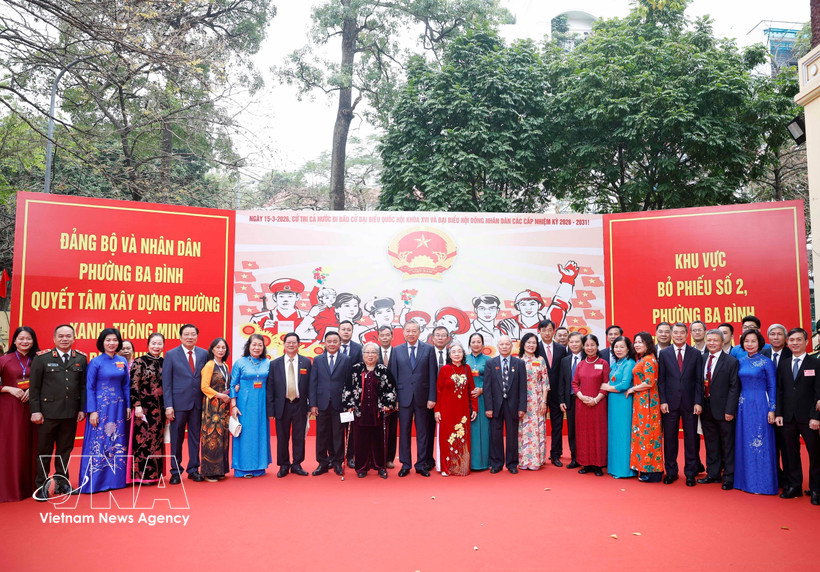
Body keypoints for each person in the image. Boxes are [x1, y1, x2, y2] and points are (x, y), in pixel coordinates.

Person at [29, 324, 87, 501]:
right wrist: (35, 411)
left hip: (70, 414)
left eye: (68, 336)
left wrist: (82, 409)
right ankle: (42, 486)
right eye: (61, 336)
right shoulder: (42, 358)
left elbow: (83, 387)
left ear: (74, 338)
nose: (64, 339)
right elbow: (34, 388)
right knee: (44, 451)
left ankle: (62, 484)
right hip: (47, 414)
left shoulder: (81, 358)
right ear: (54, 338)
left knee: (65, 451)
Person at [78, 328, 131, 494]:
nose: (111, 343)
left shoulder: (122, 360)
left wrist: (128, 405)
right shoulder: (96, 362)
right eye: (108, 340)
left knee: (117, 441)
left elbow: (126, 385)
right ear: (102, 342)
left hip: (119, 407)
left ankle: (116, 480)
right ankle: (94, 482)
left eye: (115, 340)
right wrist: (92, 410)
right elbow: (90, 387)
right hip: (101, 407)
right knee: (99, 441)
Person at [775, 328, 820, 504]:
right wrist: (779, 413)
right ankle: (794, 486)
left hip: (809, 418)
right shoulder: (784, 364)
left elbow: (818, 392)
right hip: (787, 417)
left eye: (798, 340)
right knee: (790, 453)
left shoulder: (815, 363)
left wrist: (816, 416)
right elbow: (780, 391)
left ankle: (816, 489)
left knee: (815, 454)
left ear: (806, 341)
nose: (795, 343)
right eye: (791, 340)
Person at [732, 328, 778, 494]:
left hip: (761, 405)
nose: (749, 344)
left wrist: (772, 409)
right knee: (744, 441)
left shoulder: (766, 362)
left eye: (753, 341)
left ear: (760, 343)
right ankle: (745, 482)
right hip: (743, 405)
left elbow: (772, 387)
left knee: (761, 442)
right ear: (742, 343)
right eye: (746, 341)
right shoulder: (740, 360)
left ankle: (762, 483)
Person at [389, 321, 437, 477]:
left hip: (423, 398)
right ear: (403, 332)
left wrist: (432, 397)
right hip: (403, 398)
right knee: (404, 432)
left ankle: (421, 464)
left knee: (423, 432)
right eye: (408, 331)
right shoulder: (396, 351)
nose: (411, 333)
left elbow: (432, 376)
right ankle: (405, 464)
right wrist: (394, 399)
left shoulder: (429, 349)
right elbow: (393, 377)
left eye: (414, 331)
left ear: (419, 332)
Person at [658, 322, 704, 486]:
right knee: (670, 439)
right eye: (675, 333)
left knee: (691, 439)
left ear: (687, 334)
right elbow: (661, 381)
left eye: (682, 333)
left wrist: (699, 401)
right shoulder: (664, 353)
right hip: (669, 404)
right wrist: (663, 400)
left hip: (691, 403)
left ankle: (690, 473)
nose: (678, 335)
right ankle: (671, 472)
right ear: (671, 334)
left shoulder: (695, 353)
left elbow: (699, 381)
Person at [343, 342, 397, 478]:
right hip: (359, 411)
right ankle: (361, 467)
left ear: (378, 355)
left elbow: (390, 389)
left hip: (378, 411)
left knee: (380, 440)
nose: (370, 355)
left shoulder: (383, 370)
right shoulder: (355, 369)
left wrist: (387, 404)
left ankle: (380, 466)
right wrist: (349, 404)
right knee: (360, 440)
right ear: (363, 354)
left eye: (373, 352)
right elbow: (348, 388)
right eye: (367, 352)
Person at [163, 324, 208, 484]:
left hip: (198, 403)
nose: (190, 337)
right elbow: (166, 383)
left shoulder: (204, 354)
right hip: (178, 404)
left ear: (197, 336)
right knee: (176, 439)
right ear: (180, 336)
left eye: (193, 334)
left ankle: (193, 469)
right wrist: (168, 405)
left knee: (196, 438)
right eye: (186, 334)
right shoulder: (171, 354)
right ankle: (175, 471)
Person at [0, 326, 39, 502]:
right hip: (9, 408)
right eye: (21, 338)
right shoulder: (4, 360)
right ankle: (8, 488)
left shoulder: (38, 360)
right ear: (14, 340)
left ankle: (28, 486)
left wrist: (33, 389)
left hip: (31, 408)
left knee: (29, 445)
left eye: (28, 338)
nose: (25, 342)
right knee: (10, 445)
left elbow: (48, 382)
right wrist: (7, 388)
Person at [698, 329, 740, 491]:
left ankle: (729, 477)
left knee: (728, 444)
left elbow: (733, 388)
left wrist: (730, 410)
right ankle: (713, 473)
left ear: (722, 342)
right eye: (709, 340)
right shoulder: (701, 359)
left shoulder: (731, 361)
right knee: (711, 443)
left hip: (724, 411)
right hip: (706, 408)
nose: (712, 343)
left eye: (715, 340)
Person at [268, 332, 312, 477]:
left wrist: (311, 405)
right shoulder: (275, 364)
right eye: (288, 342)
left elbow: (311, 385)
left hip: (300, 404)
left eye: (294, 342)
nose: (291, 345)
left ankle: (297, 464)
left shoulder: (306, 362)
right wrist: (271, 410)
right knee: (282, 437)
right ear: (284, 345)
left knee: (299, 437)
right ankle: (283, 465)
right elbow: (270, 387)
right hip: (282, 405)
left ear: (299, 345)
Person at [309, 331, 352, 476]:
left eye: (335, 341)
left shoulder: (346, 360)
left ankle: (337, 462)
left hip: (340, 404)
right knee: (322, 434)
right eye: (329, 341)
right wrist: (313, 404)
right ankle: (322, 462)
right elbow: (313, 383)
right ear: (324, 343)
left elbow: (349, 383)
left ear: (340, 343)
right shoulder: (318, 360)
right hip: (321, 403)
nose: (332, 344)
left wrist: (348, 404)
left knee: (339, 434)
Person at [483, 335, 527, 474]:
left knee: (512, 435)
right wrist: (488, 407)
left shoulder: (519, 363)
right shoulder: (491, 363)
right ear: (497, 346)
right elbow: (487, 387)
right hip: (496, 405)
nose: (504, 346)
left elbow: (523, 387)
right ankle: (497, 463)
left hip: (513, 405)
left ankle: (512, 463)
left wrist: (522, 407)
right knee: (495, 435)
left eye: (507, 344)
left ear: (511, 346)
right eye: (501, 344)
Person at [230, 334, 272, 477]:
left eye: (260, 345)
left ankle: (259, 467)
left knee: (260, 433)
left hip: (261, 404)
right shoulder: (240, 362)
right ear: (248, 346)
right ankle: (242, 468)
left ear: (263, 347)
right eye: (254, 344)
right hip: (244, 404)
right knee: (245, 434)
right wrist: (234, 405)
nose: (256, 347)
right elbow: (232, 384)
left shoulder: (267, 362)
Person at [434, 342, 477, 476]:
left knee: (462, 438)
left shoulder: (467, 369)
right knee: (447, 438)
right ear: (450, 355)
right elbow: (439, 391)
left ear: (463, 354)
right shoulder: (444, 369)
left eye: (459, 351)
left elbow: (472, 390)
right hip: (447, 410)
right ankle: (447, 467)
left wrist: (474, 408)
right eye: (454, 352)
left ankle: (461, 466)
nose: (457, 354)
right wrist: (437, 410)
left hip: (462, 411)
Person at [129, 333, 165, 486]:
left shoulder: (165, 362)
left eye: (159, 344)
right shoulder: (139, 362)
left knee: (157, 441)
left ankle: (156, 475)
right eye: (153, 343)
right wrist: (136, 405)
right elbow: (133, 385)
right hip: (143, 409)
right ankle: (141, 475)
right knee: (143, 440)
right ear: (148, 344)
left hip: (160, 409)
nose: (156, 347)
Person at [626, 332, 663, 482]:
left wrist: (633, 389)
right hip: (641, 401)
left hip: (647, 401)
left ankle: (652, 470)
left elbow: (649, 382)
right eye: (635, 342)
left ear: (648, 344)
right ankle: (644, 468)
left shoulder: (648, 360)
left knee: (649, 435)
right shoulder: (644, 359)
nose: (636, 345)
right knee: (643, 434)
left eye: (640, 342)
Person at [572, 334, 609, 476]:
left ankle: (598, 464)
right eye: (587, 345)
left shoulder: (603, 363)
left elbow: (606, 384)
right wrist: (581, 396)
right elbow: (575, 383)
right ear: (583, 347)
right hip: (582, 405)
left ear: (597, 346)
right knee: (583, 434)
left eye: (592, 345)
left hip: (598, 404)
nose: (590, 348)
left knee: (598, 434)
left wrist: (596, 399)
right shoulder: (580, 364)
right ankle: (585, 463)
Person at [601, 336, 636, 478]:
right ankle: (614, 467)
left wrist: (607, 387)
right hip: (613, 402)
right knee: (614, 434)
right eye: (616, 347)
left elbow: (624, 385)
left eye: (622, 347)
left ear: (628, 348)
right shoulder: (616, 364)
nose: (618, 349)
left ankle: (624, 469)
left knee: (623, 434)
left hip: (624, 402)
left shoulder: (630, 363)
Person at [535, 319, 566, 466]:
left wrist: (562, 395)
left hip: (556, 393)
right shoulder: (535, 347)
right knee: (537, 424)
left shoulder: (561, 348)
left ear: (553, 331)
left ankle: (556, 454)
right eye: (543, 330)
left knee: (557, 424)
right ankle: (537, 453)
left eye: (549, 330)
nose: (547, 333)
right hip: (539, 394)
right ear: (539, 332)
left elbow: (563, 372)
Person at [200, 338, 231, 481]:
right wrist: (220, 396)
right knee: (210, 437)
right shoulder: (209, 365)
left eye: (223, 347)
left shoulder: (225, 366)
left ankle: (220, 470)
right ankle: (208, 472)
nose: (220, 350)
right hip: (211, 407)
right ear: (212, 349)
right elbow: (204, 387)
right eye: (217, 347)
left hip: (223, 408)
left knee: (222, 438)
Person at [518, 333, 549, 470]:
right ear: (523, 344)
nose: (531, 345)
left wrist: (544, 402)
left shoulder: (540, 360)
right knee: (523, 429)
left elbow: (545, 383)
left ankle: (536, 460)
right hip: (522, 400)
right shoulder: (518, 360)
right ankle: (524, 460)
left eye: (534, 343)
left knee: (537, 429)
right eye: (528, 342)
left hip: (537, 399)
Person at [767, 323, 791, 487]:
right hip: (765, 408)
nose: (775, 337)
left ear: (785, 338)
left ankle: (791, 481)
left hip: (787, 409)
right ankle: (775, 477)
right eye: (772, 334)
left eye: (779, 334)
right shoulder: (762, 354)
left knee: (787, 447)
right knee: (770, 446)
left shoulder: (793, 354)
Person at [558, 331, 584, 469]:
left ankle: (586, 458)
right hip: (570, 399)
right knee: (572, 430)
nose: (574, 344)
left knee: (585, 430)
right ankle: (575, 458)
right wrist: (562, 399)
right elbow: (562, 382)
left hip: (586, 400)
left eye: (577, 342)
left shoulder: (589, 357)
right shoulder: (565, 360)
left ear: (582, 343)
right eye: (572, 342)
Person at [466, 333, 490, 471]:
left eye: (478, 341)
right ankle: (469, 462)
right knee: (469, 430)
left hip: (482, 398)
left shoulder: (489, 360)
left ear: (483, 344)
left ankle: (484, 461)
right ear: (469, 344)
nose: (476, 344)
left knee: (483, 430)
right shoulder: (464, 359)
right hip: (466, 399)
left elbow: (493, 380)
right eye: (473, 341)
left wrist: (482, 389)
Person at [376, 325, 399, 468]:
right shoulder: (372, 351)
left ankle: (389, 458)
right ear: (378, 337)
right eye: (382, 335)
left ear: (392, 336)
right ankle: (376, 457)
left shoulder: (398, 353)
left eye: (387, 335)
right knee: (375, 428)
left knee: (392, 429)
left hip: (394, 398)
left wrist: (397, 399)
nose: (385, 338)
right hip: (375, 398)